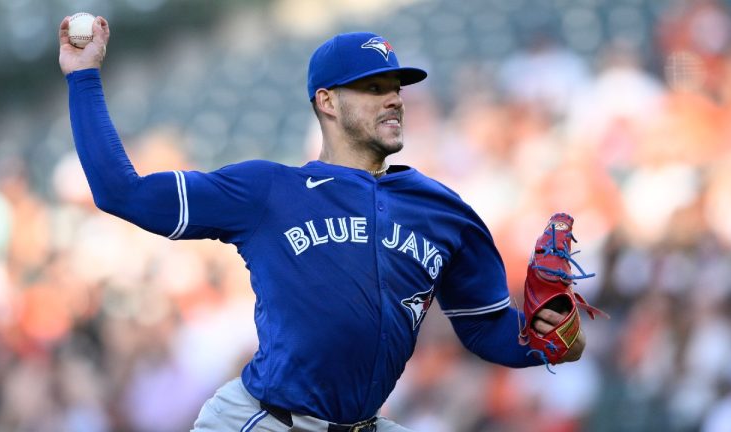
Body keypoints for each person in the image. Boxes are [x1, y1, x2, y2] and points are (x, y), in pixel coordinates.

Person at [58, 15, 585, 432]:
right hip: (265, 421)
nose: (394, 96)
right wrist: (83, 76)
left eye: (396, 85)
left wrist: (551, 340)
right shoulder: (266, 190)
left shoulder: (444, 211)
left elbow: (487, 328)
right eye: (374, 86)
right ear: (327, 101)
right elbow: (121, 192)